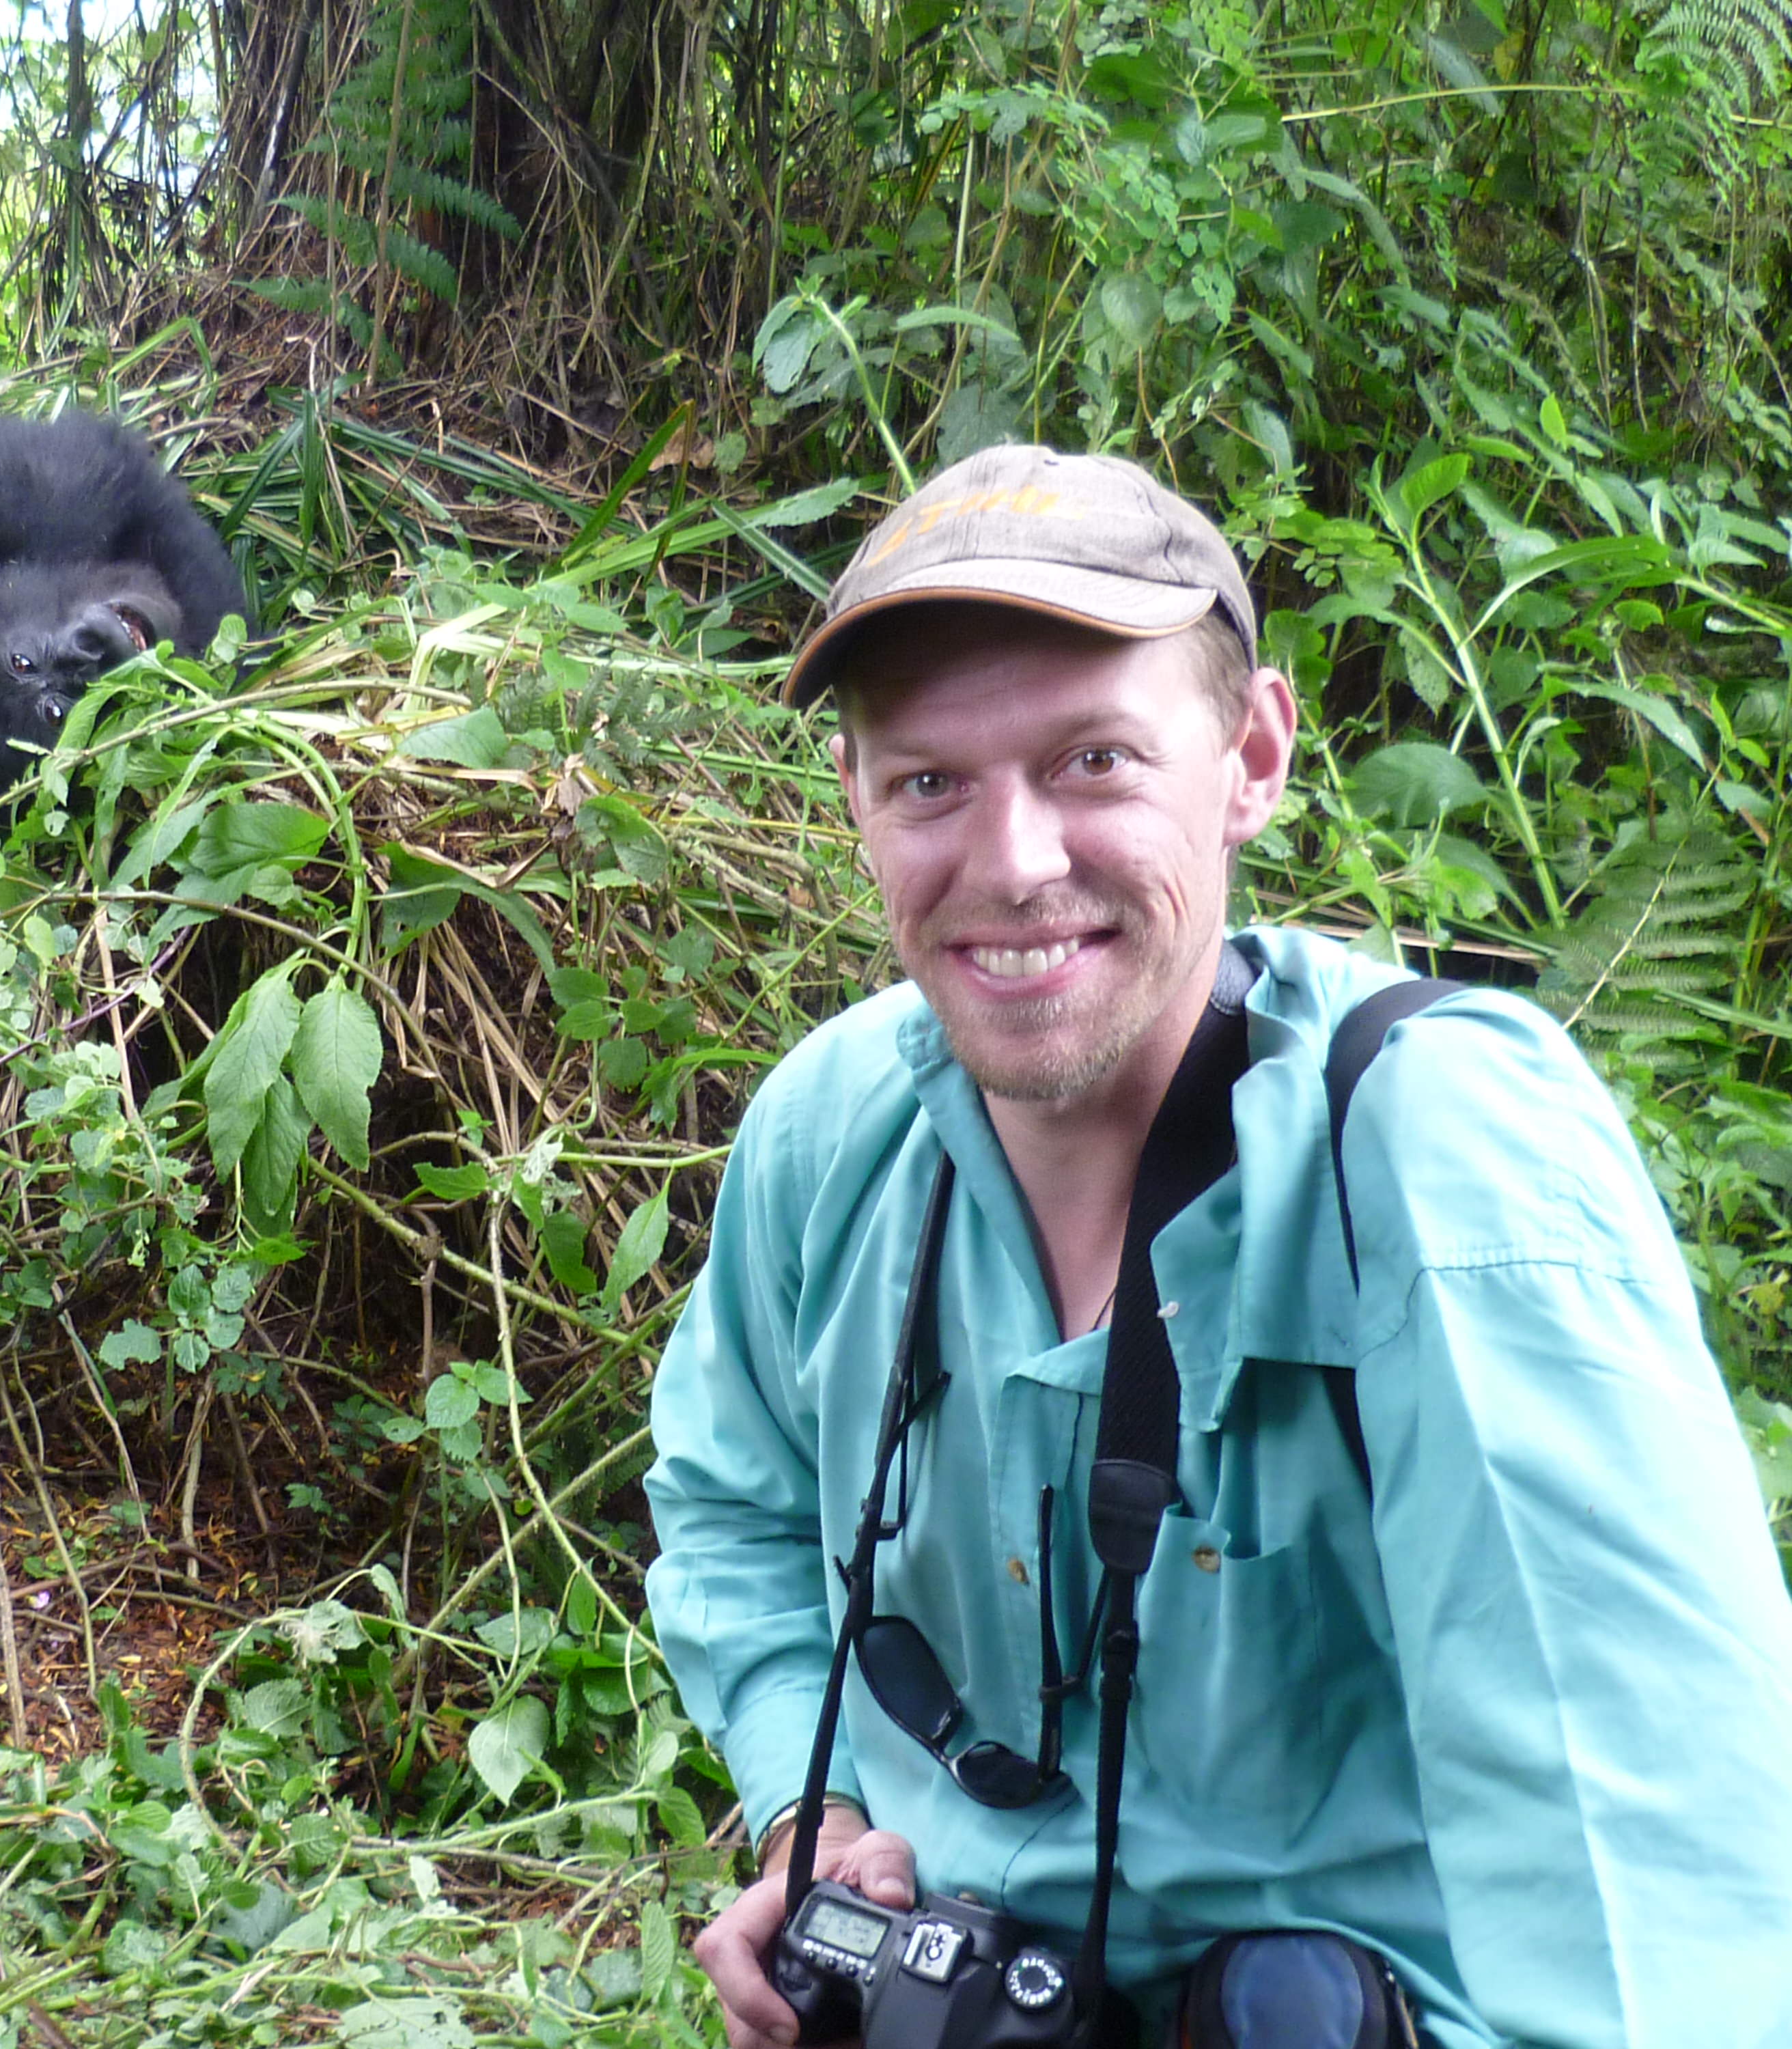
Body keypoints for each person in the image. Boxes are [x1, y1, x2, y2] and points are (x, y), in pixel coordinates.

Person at [642, 444, 1792, 2049]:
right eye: (927, 783)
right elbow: (726, 1507)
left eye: (1093, 761)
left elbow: (1654, 1884)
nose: (1014, 862)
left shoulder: (1438, 1160)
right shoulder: (830, 1133)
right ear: (854, 802)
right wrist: (808, 1812)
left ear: (1248, 755)